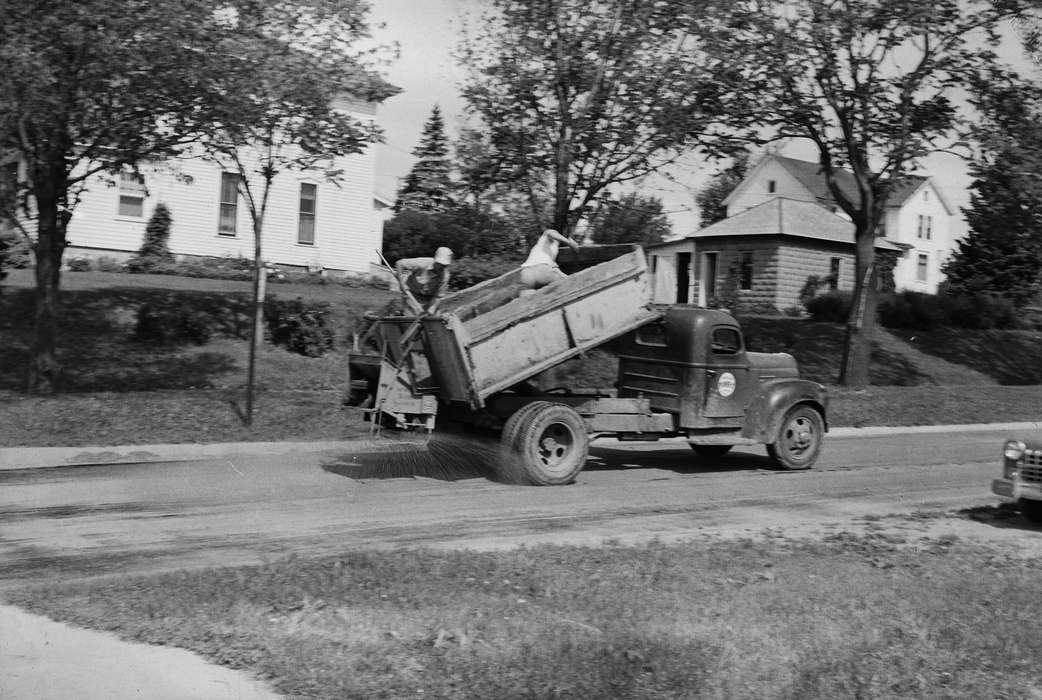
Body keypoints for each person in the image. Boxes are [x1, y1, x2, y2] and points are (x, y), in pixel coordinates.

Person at [394, 246, 454, 313]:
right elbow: (399, 263)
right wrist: (402, 283)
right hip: (412, 295)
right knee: (411, 318)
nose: (442, 267)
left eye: (444, 266)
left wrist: (432, 309)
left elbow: (438, 296)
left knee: (433, 319)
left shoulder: (445, 276)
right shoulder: (422, 262)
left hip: (429, 299)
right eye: (440, 264)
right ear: (435, 261)